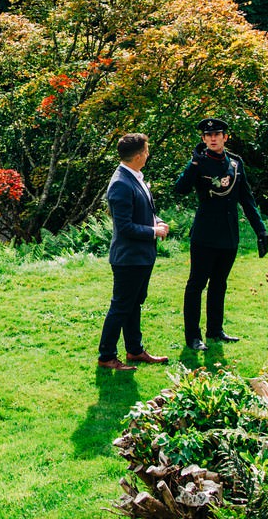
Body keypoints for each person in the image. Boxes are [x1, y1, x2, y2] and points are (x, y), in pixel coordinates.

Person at [173, 117, 268, 351]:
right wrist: (193, 164)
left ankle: (215, 330)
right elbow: (180, 189)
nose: (213, 138)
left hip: (228, 235)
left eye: (217, 134)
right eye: (208, 135)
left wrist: (261, 230)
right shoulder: (199, 162)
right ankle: (193, 337)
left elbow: (247, 199)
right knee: (196, 285)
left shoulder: (236, 163)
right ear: (203, 139)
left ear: (225, 137)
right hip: (205, 235)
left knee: (219, 284)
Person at [98, 133, 171, 370]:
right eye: (147, 151)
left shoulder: (135, 177)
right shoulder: (120, 182)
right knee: (120, 306)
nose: (148, 154)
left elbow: (144, 210)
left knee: (134, 304)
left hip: (141, 255)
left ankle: (135, 350)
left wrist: (157, 221)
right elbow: (125, 226)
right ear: (139, 155)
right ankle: (107, 356)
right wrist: (154, 231)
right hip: (128, 257)